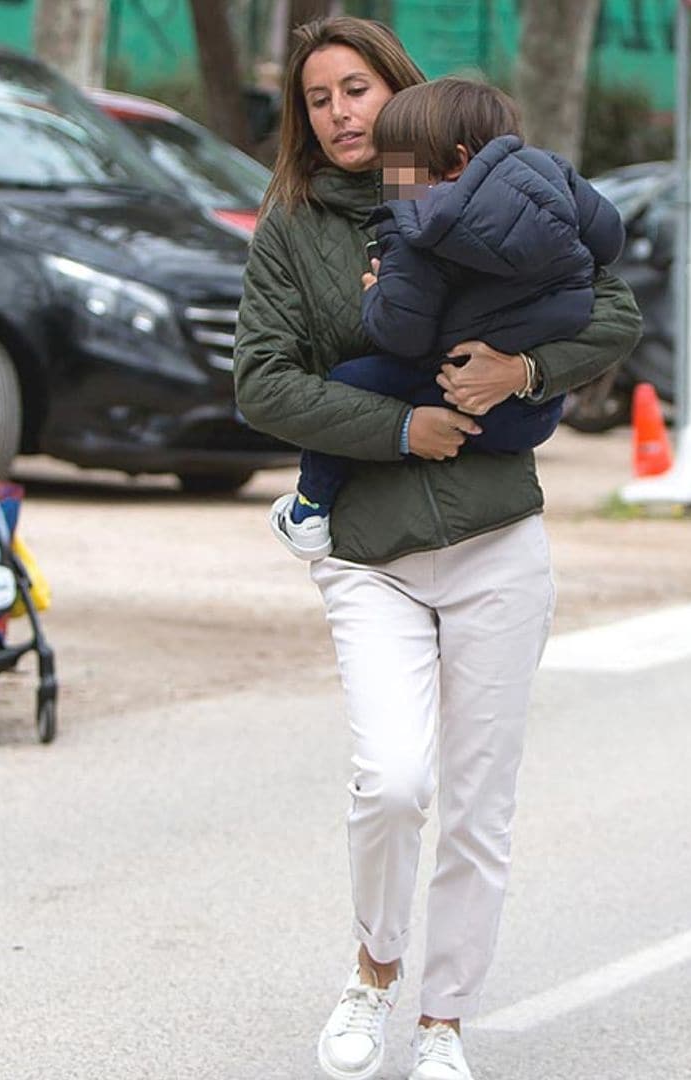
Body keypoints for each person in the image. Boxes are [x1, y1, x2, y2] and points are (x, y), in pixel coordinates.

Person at [233, 18, 641, 1080]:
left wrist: (523, 374)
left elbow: (614, 308)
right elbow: (261, 383)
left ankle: (443, 1023)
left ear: (395, 91)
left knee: (477, 800)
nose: (340, 112)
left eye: (355, 88)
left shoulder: (499, 185)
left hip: (498, 540)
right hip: (369, 547)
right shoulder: (292, 231)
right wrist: (396, 429)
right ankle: (373, 972)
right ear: (303, 120)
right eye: (318, 98)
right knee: (394, 782)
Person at [270, 77, 624, 560]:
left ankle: (309, 507)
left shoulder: (421, 228)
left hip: (458, 394)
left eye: (398, 163)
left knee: (349, 379)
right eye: (318, 99)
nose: (392, 175)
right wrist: (529, 369)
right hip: (537, 415)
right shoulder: (554, 173)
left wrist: (376, 295)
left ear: (454, 160)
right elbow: (609, 239)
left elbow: (403, 333)